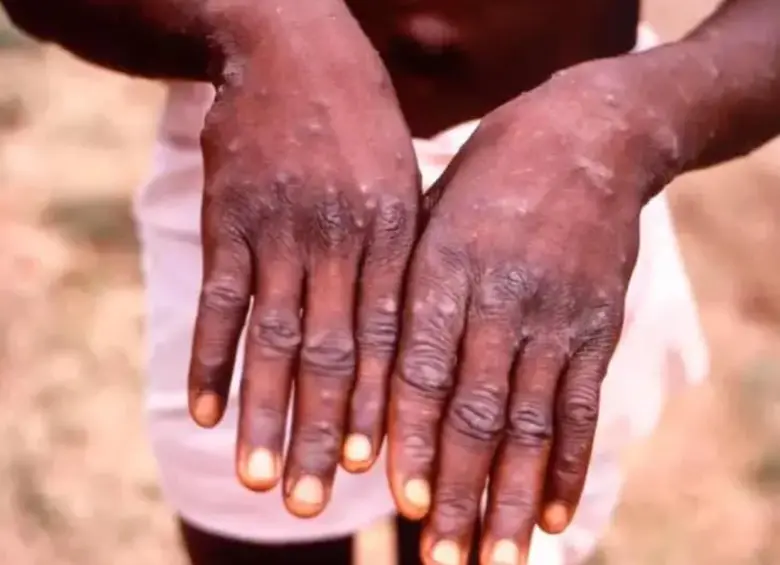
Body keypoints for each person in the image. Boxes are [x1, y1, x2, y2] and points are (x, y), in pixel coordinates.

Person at [2, 0, 778, 564]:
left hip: (565, 190)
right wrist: (255, 23)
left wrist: (629, 122)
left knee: (491, 539)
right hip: (274, 143)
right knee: (256, 532)